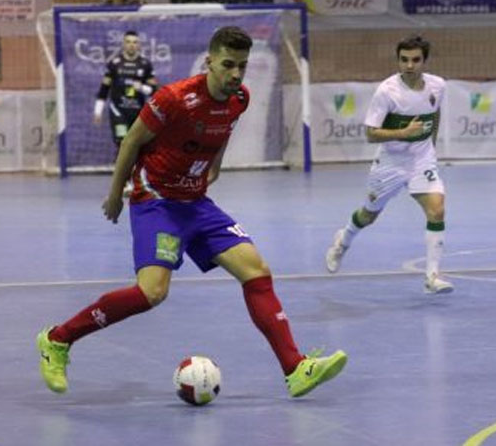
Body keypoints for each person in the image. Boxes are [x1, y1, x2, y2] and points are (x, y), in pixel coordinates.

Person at [38, 26, 347, 398]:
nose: (235, 74)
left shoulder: (240, 98)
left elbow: (224, 129)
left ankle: (295, 369)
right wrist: (115, 194)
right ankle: (58, 339)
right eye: (228, 65)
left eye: (242, 66)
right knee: (152, 293)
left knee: (257, 272)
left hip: (197, 203)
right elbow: (133, 140)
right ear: (209, 62)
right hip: (157, 202)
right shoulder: (174, 98)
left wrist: (215, 163)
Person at [324, 35, 453, 294]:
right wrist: (404, 133)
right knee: (368, 215)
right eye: (404, 60)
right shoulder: (387, 91)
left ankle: (432, 277)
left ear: (424, 61)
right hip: (391, 162)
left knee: (437, 210)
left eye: (415, 60)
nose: (409, 65)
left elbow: (435, 111)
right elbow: (371, 133)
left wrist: (431, 145)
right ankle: (343, 240)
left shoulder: (437, 86)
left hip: (421, 159)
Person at [93, 30, 158, 148]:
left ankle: (136, 166)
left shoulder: (145, 64)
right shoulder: (114, 63)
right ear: (123, 44)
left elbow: (154, 90)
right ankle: (123, 167)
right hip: (119, 111)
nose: (131, 45)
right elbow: (104, 89)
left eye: (134, 42)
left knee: (138, 145)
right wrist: (98, 111)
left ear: (139, 45)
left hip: (138, 112)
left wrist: (142, 88)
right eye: (128, 42)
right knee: (122, 143)